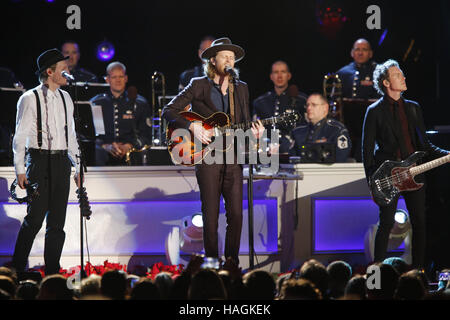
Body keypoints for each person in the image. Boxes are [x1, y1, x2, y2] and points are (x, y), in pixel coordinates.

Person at [162, 37, 264, 265]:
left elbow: (245, 122)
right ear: (213, 60)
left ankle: (232, 262)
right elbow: (168, 110)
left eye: (232, 57)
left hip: (233, 158)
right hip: (208, 157)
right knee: (210, 217)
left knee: (236, 215)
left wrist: (254, 136)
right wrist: (193, 127)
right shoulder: (199, 84)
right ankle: (211, 263)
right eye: (224, 56)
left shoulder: (242, 88)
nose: (229, 60)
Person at [362, 59, 450, 268]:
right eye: (398, 75)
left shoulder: (413, 108)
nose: (403, 77)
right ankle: (378, 275)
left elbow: (425, 146)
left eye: (402, 74)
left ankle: (418, 272)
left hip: (414, 174)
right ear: (385, 82)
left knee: (420, 223)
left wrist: (447, 154)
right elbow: (366, 151)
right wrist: (373, 185)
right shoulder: (374, 111)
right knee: (385, 224)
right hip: (388, 176)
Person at [11, 48, 81, 276]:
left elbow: (70, 134)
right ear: (50, 72)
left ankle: (53, 271)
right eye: (64, 69)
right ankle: (18, 268)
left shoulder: (66, 97)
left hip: (61, 162)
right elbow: (20, 136)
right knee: (35, 219)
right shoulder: (29, 98)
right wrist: (20, 169)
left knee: (57, 222)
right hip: (39, 161)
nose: (68, 73)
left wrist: (77, 166)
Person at [90, 61, 152, 165]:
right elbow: (92, 136)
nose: (118, 80)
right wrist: (106, 146)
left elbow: (146, 135)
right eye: (114, 77)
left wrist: (129, 146)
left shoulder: (140, 103)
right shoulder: (97, 103)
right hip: (103, 157)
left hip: (133, 156)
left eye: (121, 76)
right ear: (107, 79)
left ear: (126, 78)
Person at [252, 60, 307, 153]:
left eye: (283, 72)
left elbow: (306, 129)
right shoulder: (260, 102)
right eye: (276, 72)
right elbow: (255, 129)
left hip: (293, 151)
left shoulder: (301, 100)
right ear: (271, 76)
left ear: (289, 76)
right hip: (266, 151)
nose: (280, 76)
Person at [289, 93, 351, 162]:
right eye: (307, 105)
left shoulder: (336, 130)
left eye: (314, 105)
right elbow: (292, 158)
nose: (309, 108)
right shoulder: (298, 132)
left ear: (325, 108)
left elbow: (340, 158)